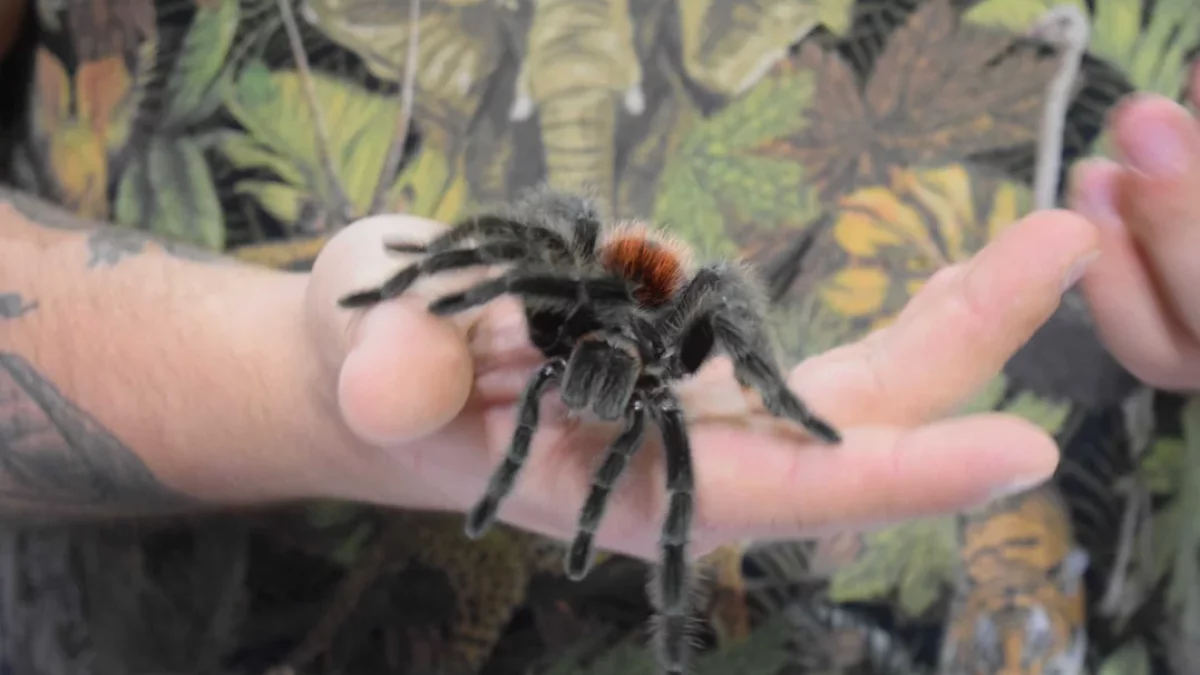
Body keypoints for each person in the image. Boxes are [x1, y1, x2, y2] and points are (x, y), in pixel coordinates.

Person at [0, 0, 1195, 570]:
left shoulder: (661, 365)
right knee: (553, 238)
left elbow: (715, 310)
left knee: (703, 305)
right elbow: (528, 253)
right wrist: (296, 382)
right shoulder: (556, 323)